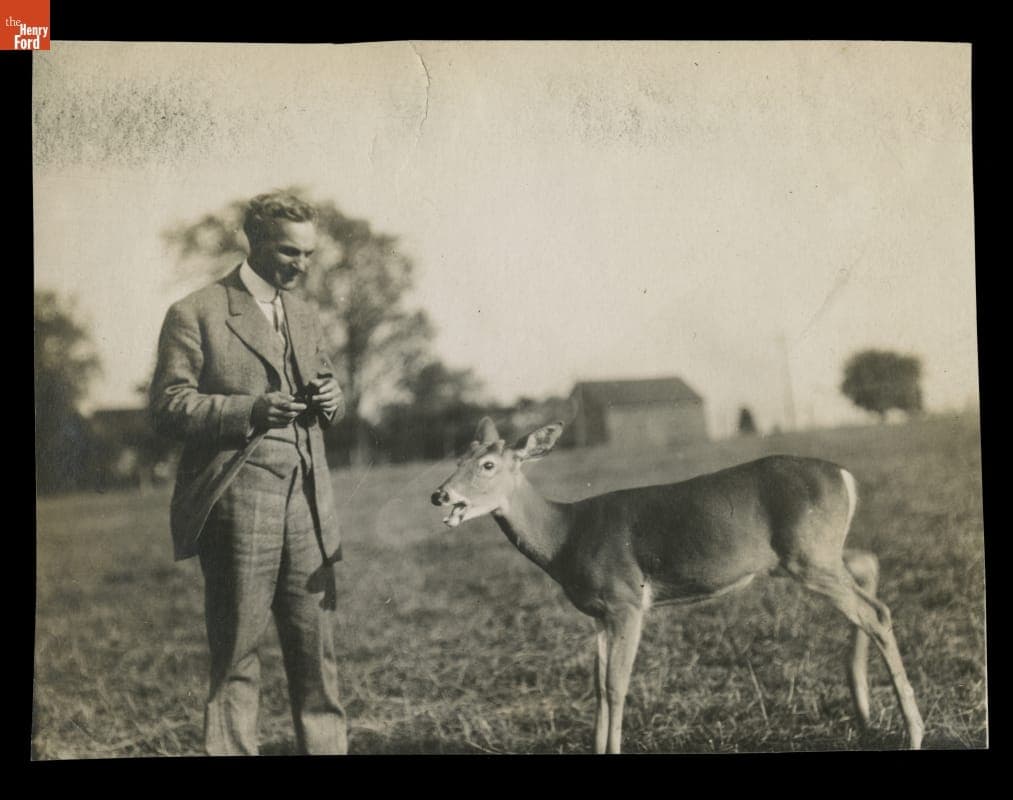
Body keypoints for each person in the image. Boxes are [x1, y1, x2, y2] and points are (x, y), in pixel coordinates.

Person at [150, 191, 347, 755]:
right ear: (254, 241)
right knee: (236, 653)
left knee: (317, 656)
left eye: (308, 254)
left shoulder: (304, 314)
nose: (301, 265)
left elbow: (327, 388)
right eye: (289, 252)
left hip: (309, 501)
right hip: (238, 499)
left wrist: (333, 399)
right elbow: (168, 406)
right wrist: (250, 411)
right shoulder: (195, 312)